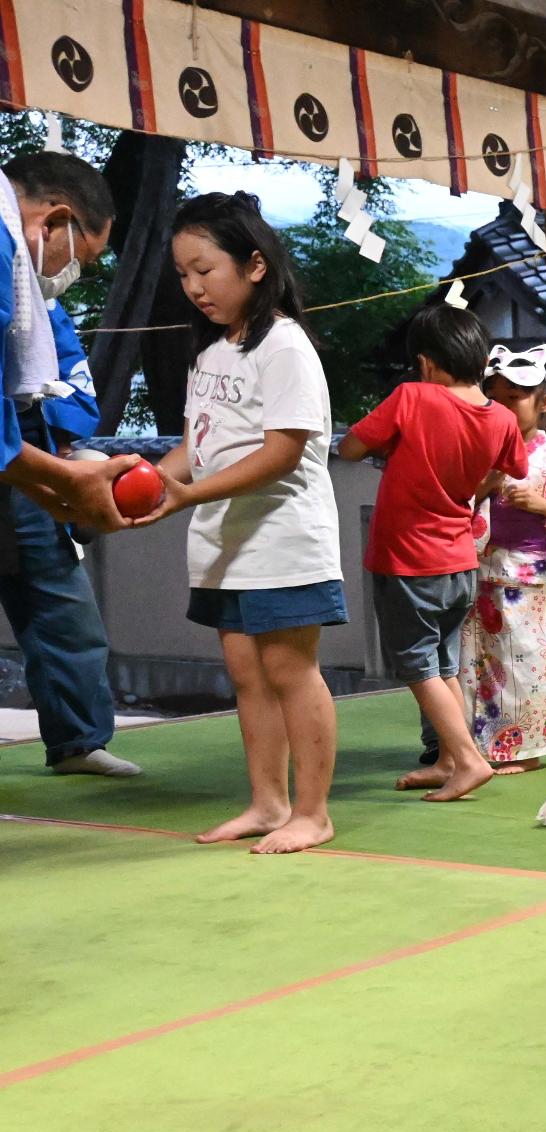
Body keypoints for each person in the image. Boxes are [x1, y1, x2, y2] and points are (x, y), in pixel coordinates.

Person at [143, 193, 345, 854]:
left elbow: (283, 450)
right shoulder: (211, 353)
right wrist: (141, 480)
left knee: (290, 670)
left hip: (282, 538)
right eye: (182, 274)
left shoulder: (283, 345)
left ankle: (312, 812)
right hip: (225, 543)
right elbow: (195, 448)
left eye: (205, 269)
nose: (193, 287)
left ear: (254, 265)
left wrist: (183, 493)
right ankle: (267, 802)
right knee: (248, 675)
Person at [338, 305, 528, 802]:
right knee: (444, 664)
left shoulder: (412, 398)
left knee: (417, 665)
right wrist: (466, 494)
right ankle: (449, 757)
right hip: (460, 560)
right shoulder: (502, 417)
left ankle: (467, 759)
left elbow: (351, 447)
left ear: (425, 363)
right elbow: (512, 470)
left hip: (408, 559)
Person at [3, 293, 142, 777]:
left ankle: (77, 740)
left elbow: (70, 378)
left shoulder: (41, 299)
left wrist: (63, 449)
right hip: (23, 451)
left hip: (31, 453)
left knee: (62, 607)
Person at [1, 151, 140, 630]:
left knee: (69, 633)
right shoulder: (5, 255)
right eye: (84, 260)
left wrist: (47, 480)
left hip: (23, 461)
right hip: (24, 458)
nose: (74, 274)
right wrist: (63, 480)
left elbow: (73, 393)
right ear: (57, 220)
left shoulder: (34, 299)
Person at [459, 345, 546, 773]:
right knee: (476, 665)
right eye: (497, 398)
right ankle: (472, 747)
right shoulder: (476, 452)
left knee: (526, 664)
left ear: (543, 403)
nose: (504, 407)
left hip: (528, 580)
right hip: (478, 573)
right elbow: (455, 504)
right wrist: (486, 486)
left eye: (515, 398)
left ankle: (526, 748)